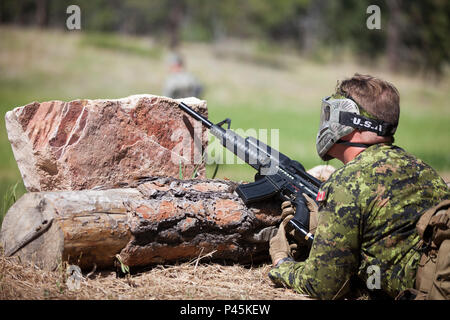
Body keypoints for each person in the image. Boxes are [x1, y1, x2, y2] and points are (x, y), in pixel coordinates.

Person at [268, 73, 449, 300]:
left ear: (354, 123)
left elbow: (322, 286)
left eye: (331, 114)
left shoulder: (349, 182)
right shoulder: (425, 170)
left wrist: (281, 264)